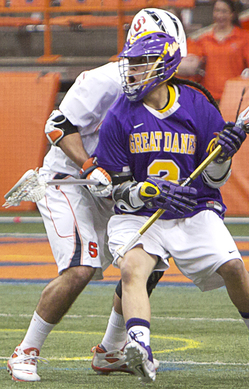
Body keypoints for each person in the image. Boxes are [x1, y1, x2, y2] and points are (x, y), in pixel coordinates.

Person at [89, 30, 249, 383]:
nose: (132, 70)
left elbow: (214, 179)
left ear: (164, 66)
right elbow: (116, 192)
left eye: (140, 63)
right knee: (133, 269)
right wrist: (149, 193)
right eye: (132, 63)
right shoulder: (119, 114)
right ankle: (140, 346)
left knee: (233, 266)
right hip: (141, 215)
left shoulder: (197, 104)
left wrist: (224, 154)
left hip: (193, 208)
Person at [6, 8, 187, 382]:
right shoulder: (107, 79)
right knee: (81, 267)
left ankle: (110, 350)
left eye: (155, 56)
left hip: (110, 186)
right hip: (69, 179)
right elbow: (58, 125)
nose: (147, 64)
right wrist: (89, 165)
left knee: (148, 260)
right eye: (144, 55)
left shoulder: (167, 94)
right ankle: (26, 350)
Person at [178, 0, 249, 103]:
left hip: (234, 99)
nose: (219, 15)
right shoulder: (204, 39)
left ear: (232, 14)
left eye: (224, 11)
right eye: (217, 11)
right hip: (208, 98)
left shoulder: (244, 37)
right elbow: (193, 66)